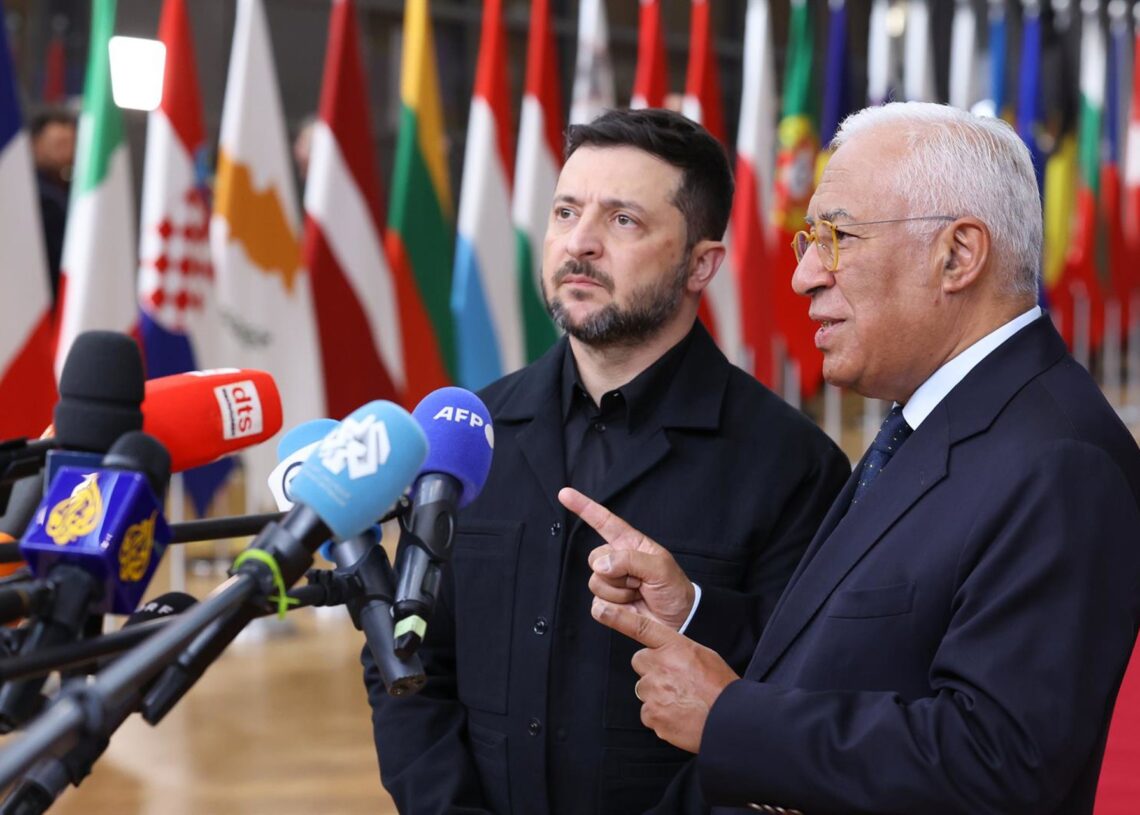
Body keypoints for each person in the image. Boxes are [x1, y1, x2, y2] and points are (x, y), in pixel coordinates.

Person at [565, 101, 1140, 815]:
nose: (804, 274)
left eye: (835, 237)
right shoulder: (936, 417)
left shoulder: (1060, 462)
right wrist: (695, 613)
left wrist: (727, 718)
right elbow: (864, 652)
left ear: (957, 255)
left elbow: (1001, 764)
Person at [365, 108, 850, 814]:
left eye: (623, 221)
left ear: (701, 263)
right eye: (566, 212)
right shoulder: (467, 437)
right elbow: (403, 660)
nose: (579, 243)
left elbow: (789, 706)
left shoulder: (794, 467)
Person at [30, 106, 77, 304]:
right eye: (59, 144)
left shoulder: (74, 190)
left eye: (70, 144)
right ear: (36, 144)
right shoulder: (36, 196)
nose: (66, 153)